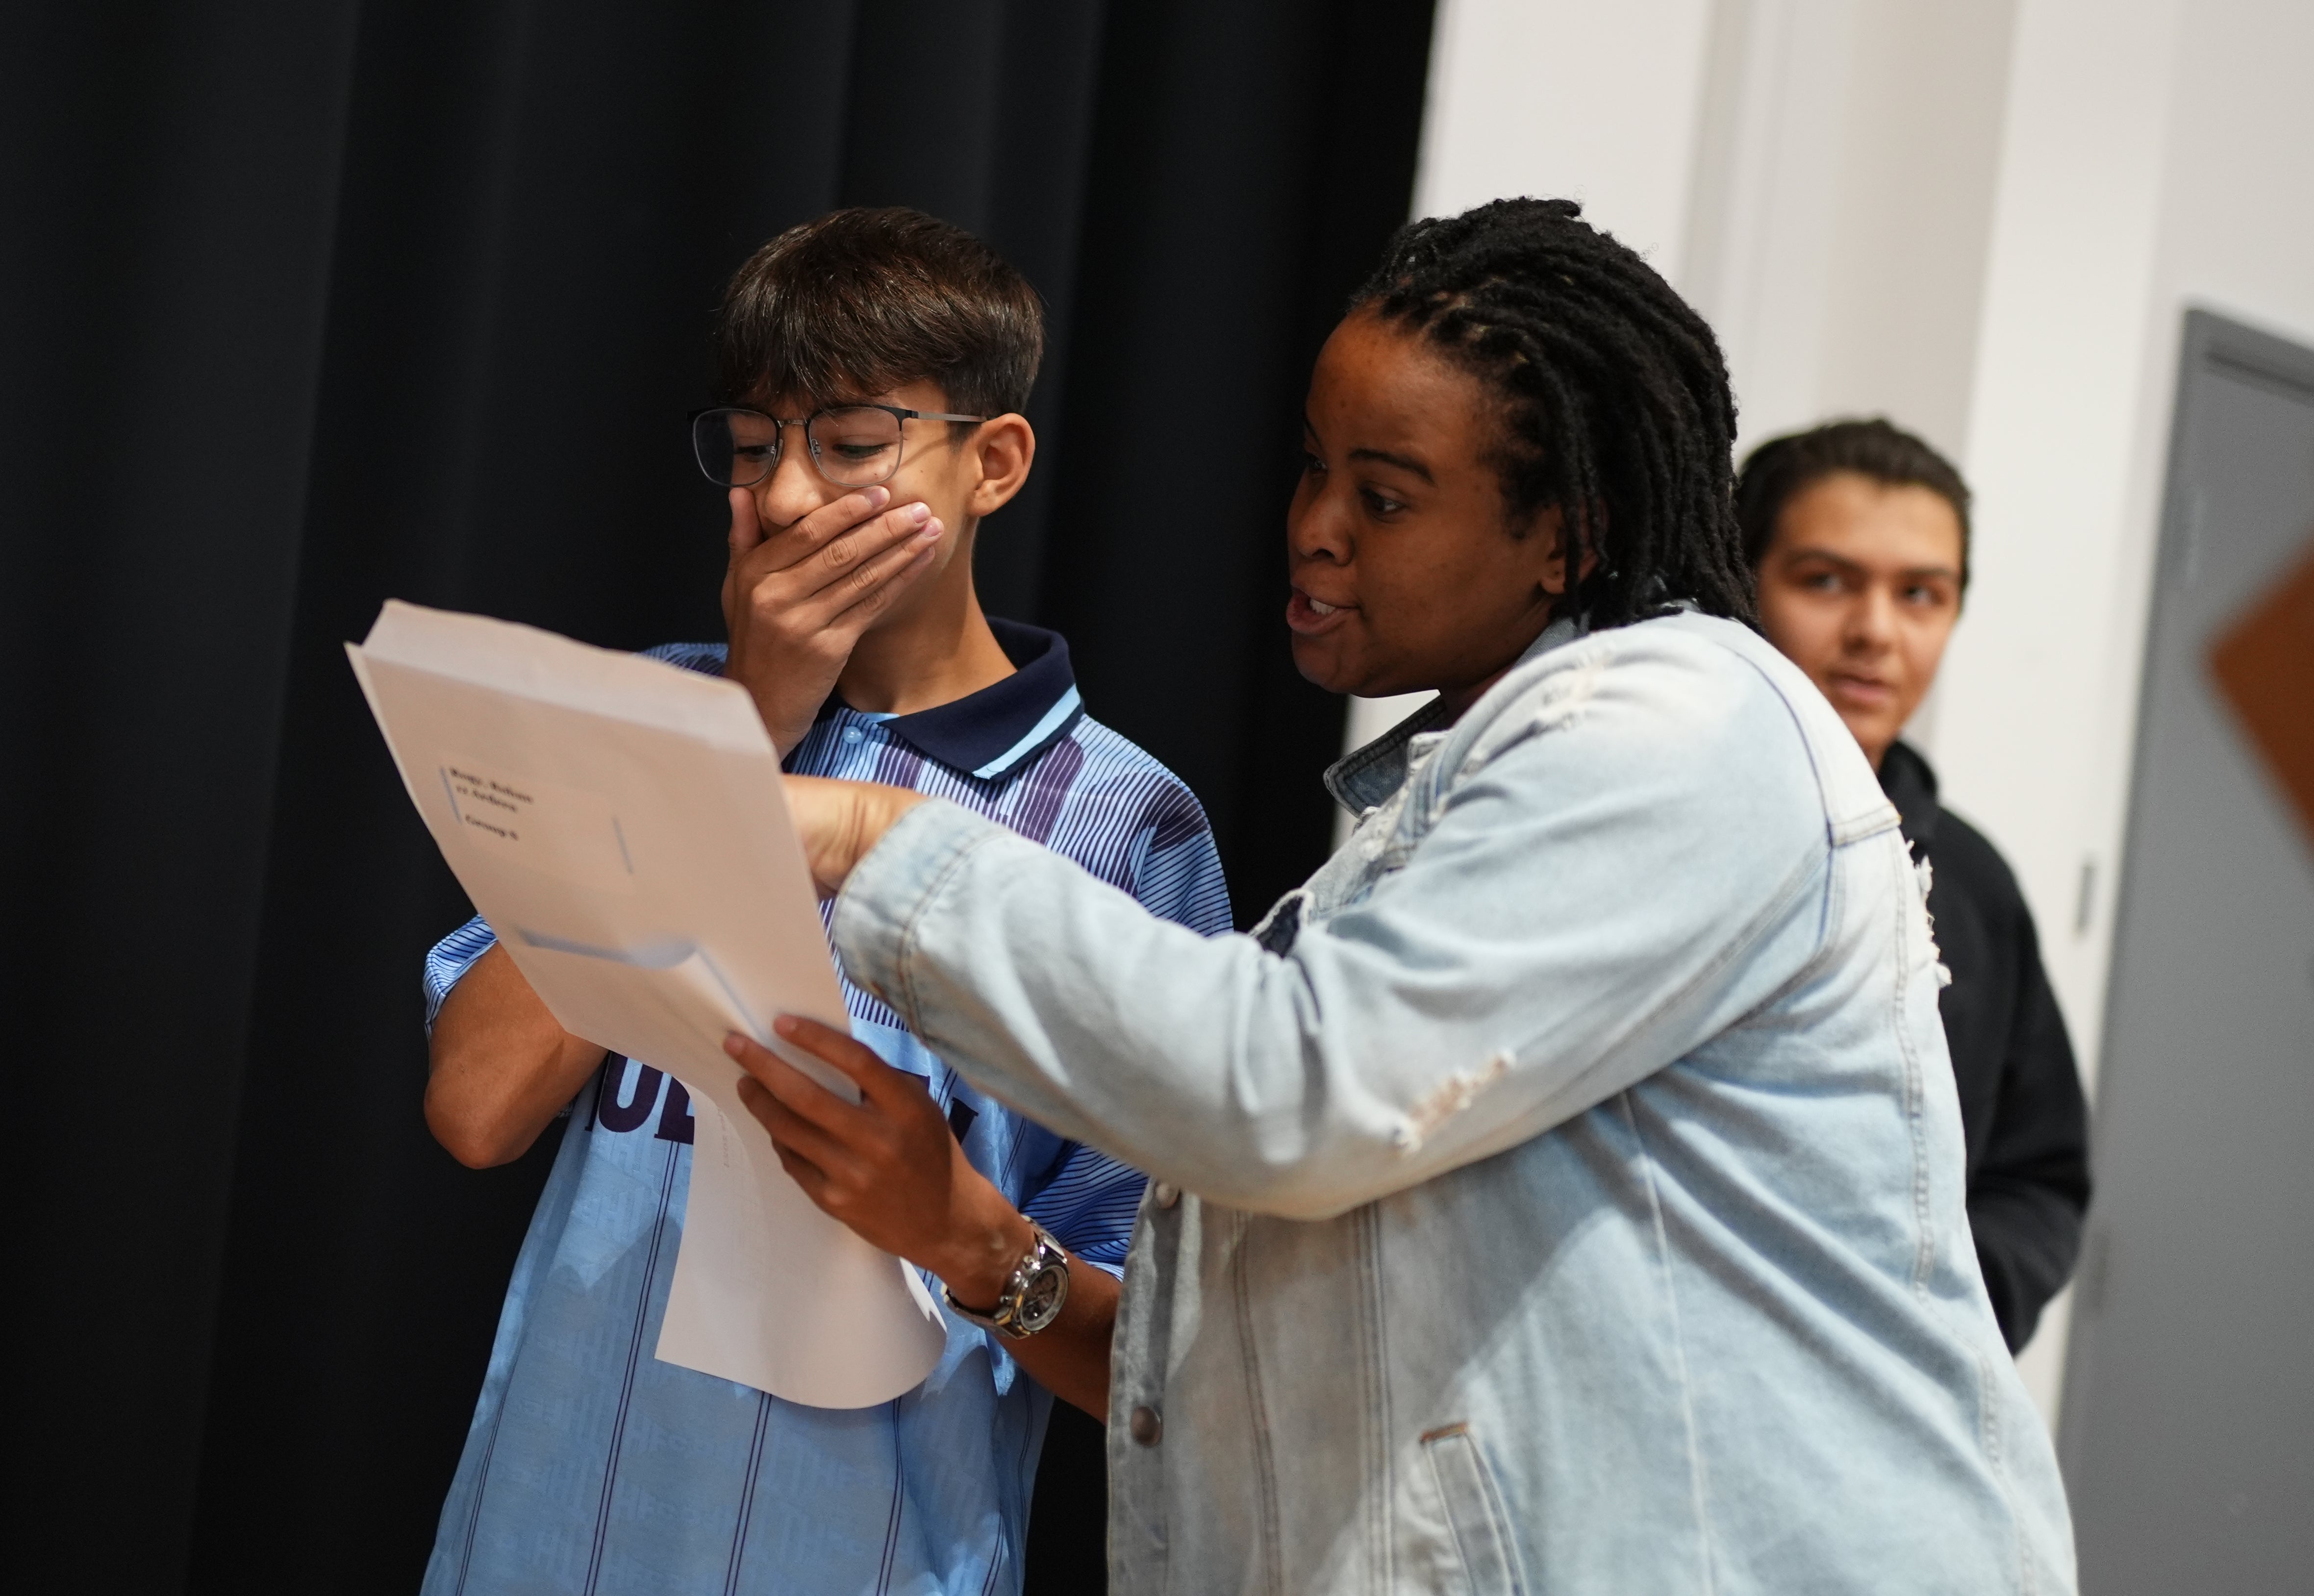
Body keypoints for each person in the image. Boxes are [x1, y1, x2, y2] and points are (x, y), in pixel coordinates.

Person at [736, 197, 2078, 1594]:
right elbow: (1292, 1365)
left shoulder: (1688, 727)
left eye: (1383, 496)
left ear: (1571, 529)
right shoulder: (1444, 811)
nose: (1315, 530)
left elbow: (1289, 1092)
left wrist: (873, 833)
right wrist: (977, 1244)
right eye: (1313, 469)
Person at [418, 208, 1231, 1596]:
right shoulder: (651, 713)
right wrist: (742, 719)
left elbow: (1159, 1359)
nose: (790, 500)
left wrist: (958, 1225)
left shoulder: (1123, 824)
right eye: (753, 448)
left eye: (852, 447)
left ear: (996, 464)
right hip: (548, 1537)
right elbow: (478, 1106)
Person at [1736, 417, 2092, 1350]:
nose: (1874, 633)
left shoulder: (1973, 887)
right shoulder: (1645, 817)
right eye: (1825, 581)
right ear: (1740, 582)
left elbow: (2041, 1176)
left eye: (1921, 594)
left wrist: (1949, 1313)